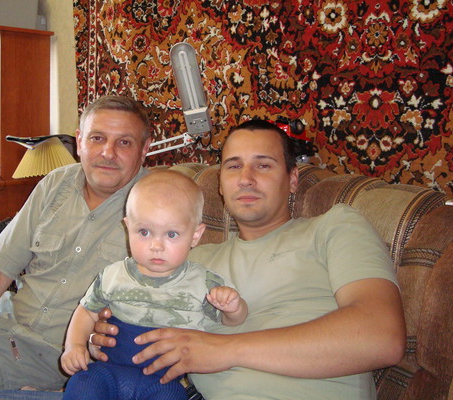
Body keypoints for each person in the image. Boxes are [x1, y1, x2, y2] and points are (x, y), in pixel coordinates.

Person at [91, 119, 407, 399]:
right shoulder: (186, 262)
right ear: (220, 185)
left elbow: (383, 336)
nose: (245, 178)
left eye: (263, 165)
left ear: (293, 179)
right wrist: (105, 342)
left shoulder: (334, 227)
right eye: (233, 166)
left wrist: (226, 350)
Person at [0, 95, 153, 392]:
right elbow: (0, 268)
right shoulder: (56, 184)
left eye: (124, 142)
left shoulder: (159, 206)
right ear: (79, 142)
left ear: (144, 149)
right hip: (2, 315)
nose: (108, 153)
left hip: (46, 353)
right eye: (97, 138)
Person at [61, 170, 248, 400]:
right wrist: (74, 345)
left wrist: (234, 308)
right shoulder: (112, 275)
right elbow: (86, 311)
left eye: (172, 234)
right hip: (108, 371)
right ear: (127, 227)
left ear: (195, 235)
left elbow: (233, 321)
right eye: (144, 232)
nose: (156, 245)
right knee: (82, 383)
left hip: (163, 382)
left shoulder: (202, 282)